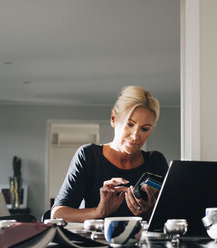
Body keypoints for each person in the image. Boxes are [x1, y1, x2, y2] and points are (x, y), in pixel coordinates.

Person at [51, 86, 169, 223]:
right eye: (129, 124)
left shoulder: (156, 161)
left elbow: (173, 216)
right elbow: (57, 214)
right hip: (96, 243)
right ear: (113, 119)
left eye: (144, 129)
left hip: (142, 243)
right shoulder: (88, 156)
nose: (136, 136)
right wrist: (100, 211)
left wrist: (149, 214)